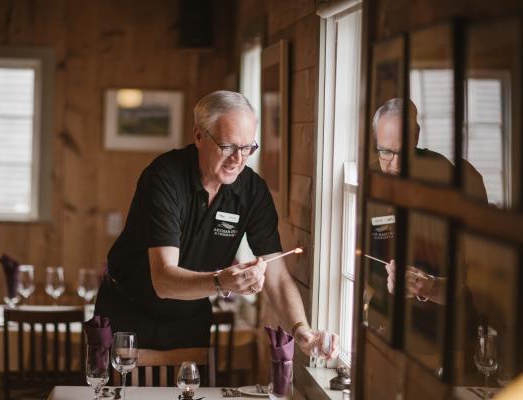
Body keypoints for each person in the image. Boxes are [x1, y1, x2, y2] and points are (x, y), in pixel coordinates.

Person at [95, 90, 339, 358]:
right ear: (199, 136)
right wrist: (222, 282)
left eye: (247, 147)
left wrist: (301, 329)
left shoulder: (253, 191)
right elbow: (163, 280)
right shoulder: (164, 177)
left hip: (190, 316)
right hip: (128, 310)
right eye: (228, 146)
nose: (238, 159)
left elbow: (277, 276)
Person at [371, 98, 487, 304]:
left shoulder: (442, 177)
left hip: (441, 318)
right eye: (386, 152)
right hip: (384, 317)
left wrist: (429, 287)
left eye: (405, 152)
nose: (396, 165)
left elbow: (469, 278)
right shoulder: (369, 180)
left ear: (416, 138)